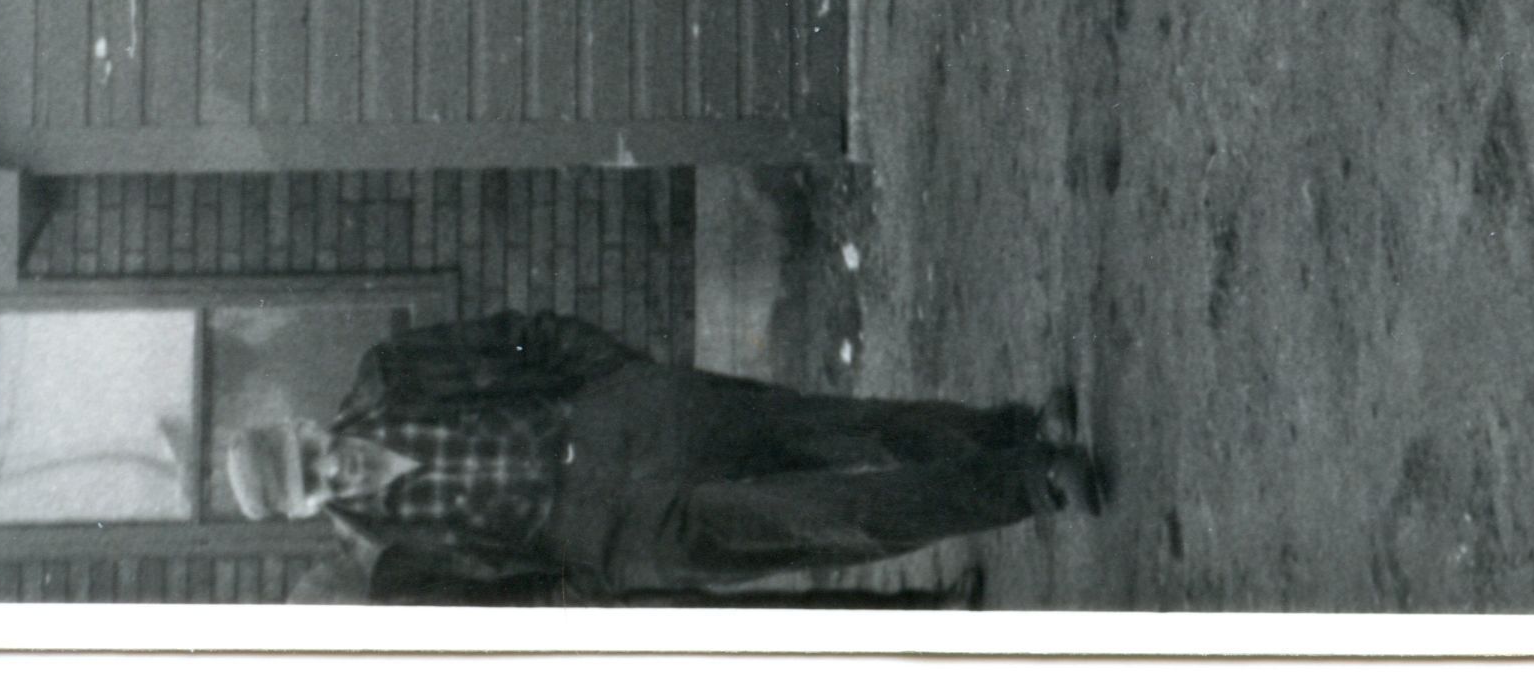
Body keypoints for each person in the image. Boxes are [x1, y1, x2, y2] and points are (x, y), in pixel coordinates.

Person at [223, 307, 1101, 597]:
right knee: (830, 518)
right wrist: (597, 574)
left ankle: (1011, 430)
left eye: (311, 453)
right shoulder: (391, 564)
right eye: (311, 486)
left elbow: (524, 336)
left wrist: (619, 375)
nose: (329, 470)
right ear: (305, 509)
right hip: (618, 535)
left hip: (620, 419)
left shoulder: (393, 370)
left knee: (834, 426)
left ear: (305, 427)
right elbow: (514, 596)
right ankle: (1032, 483)